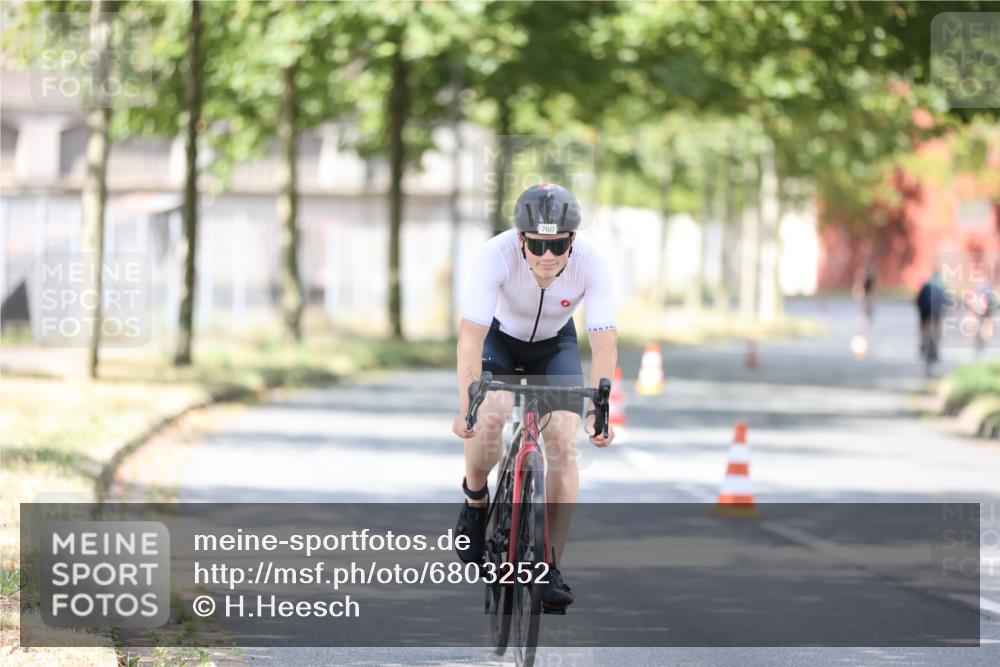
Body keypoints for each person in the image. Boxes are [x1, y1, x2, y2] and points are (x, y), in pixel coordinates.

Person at [451, 183, 618, 611]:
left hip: (553, 345)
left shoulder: (593, 262)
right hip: (499, 341)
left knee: (563, 441)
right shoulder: (496, 254)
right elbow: (470, 340)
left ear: (572, 241)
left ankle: (550, 566)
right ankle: (475, 497)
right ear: (521, 239)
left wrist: (600, 412)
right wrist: (465, 408)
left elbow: (603, 344)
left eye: (558, 245)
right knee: (491, 417)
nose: (547, 256)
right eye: (538, 245)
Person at [916, 270, 947, 364]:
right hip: (937, 311)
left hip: (925, 311)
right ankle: (935, 350)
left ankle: (923, 343)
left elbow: (918, 300)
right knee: (938, 330)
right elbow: (945, 302)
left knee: (923, 327)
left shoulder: (927, 285)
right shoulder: (942, 286)